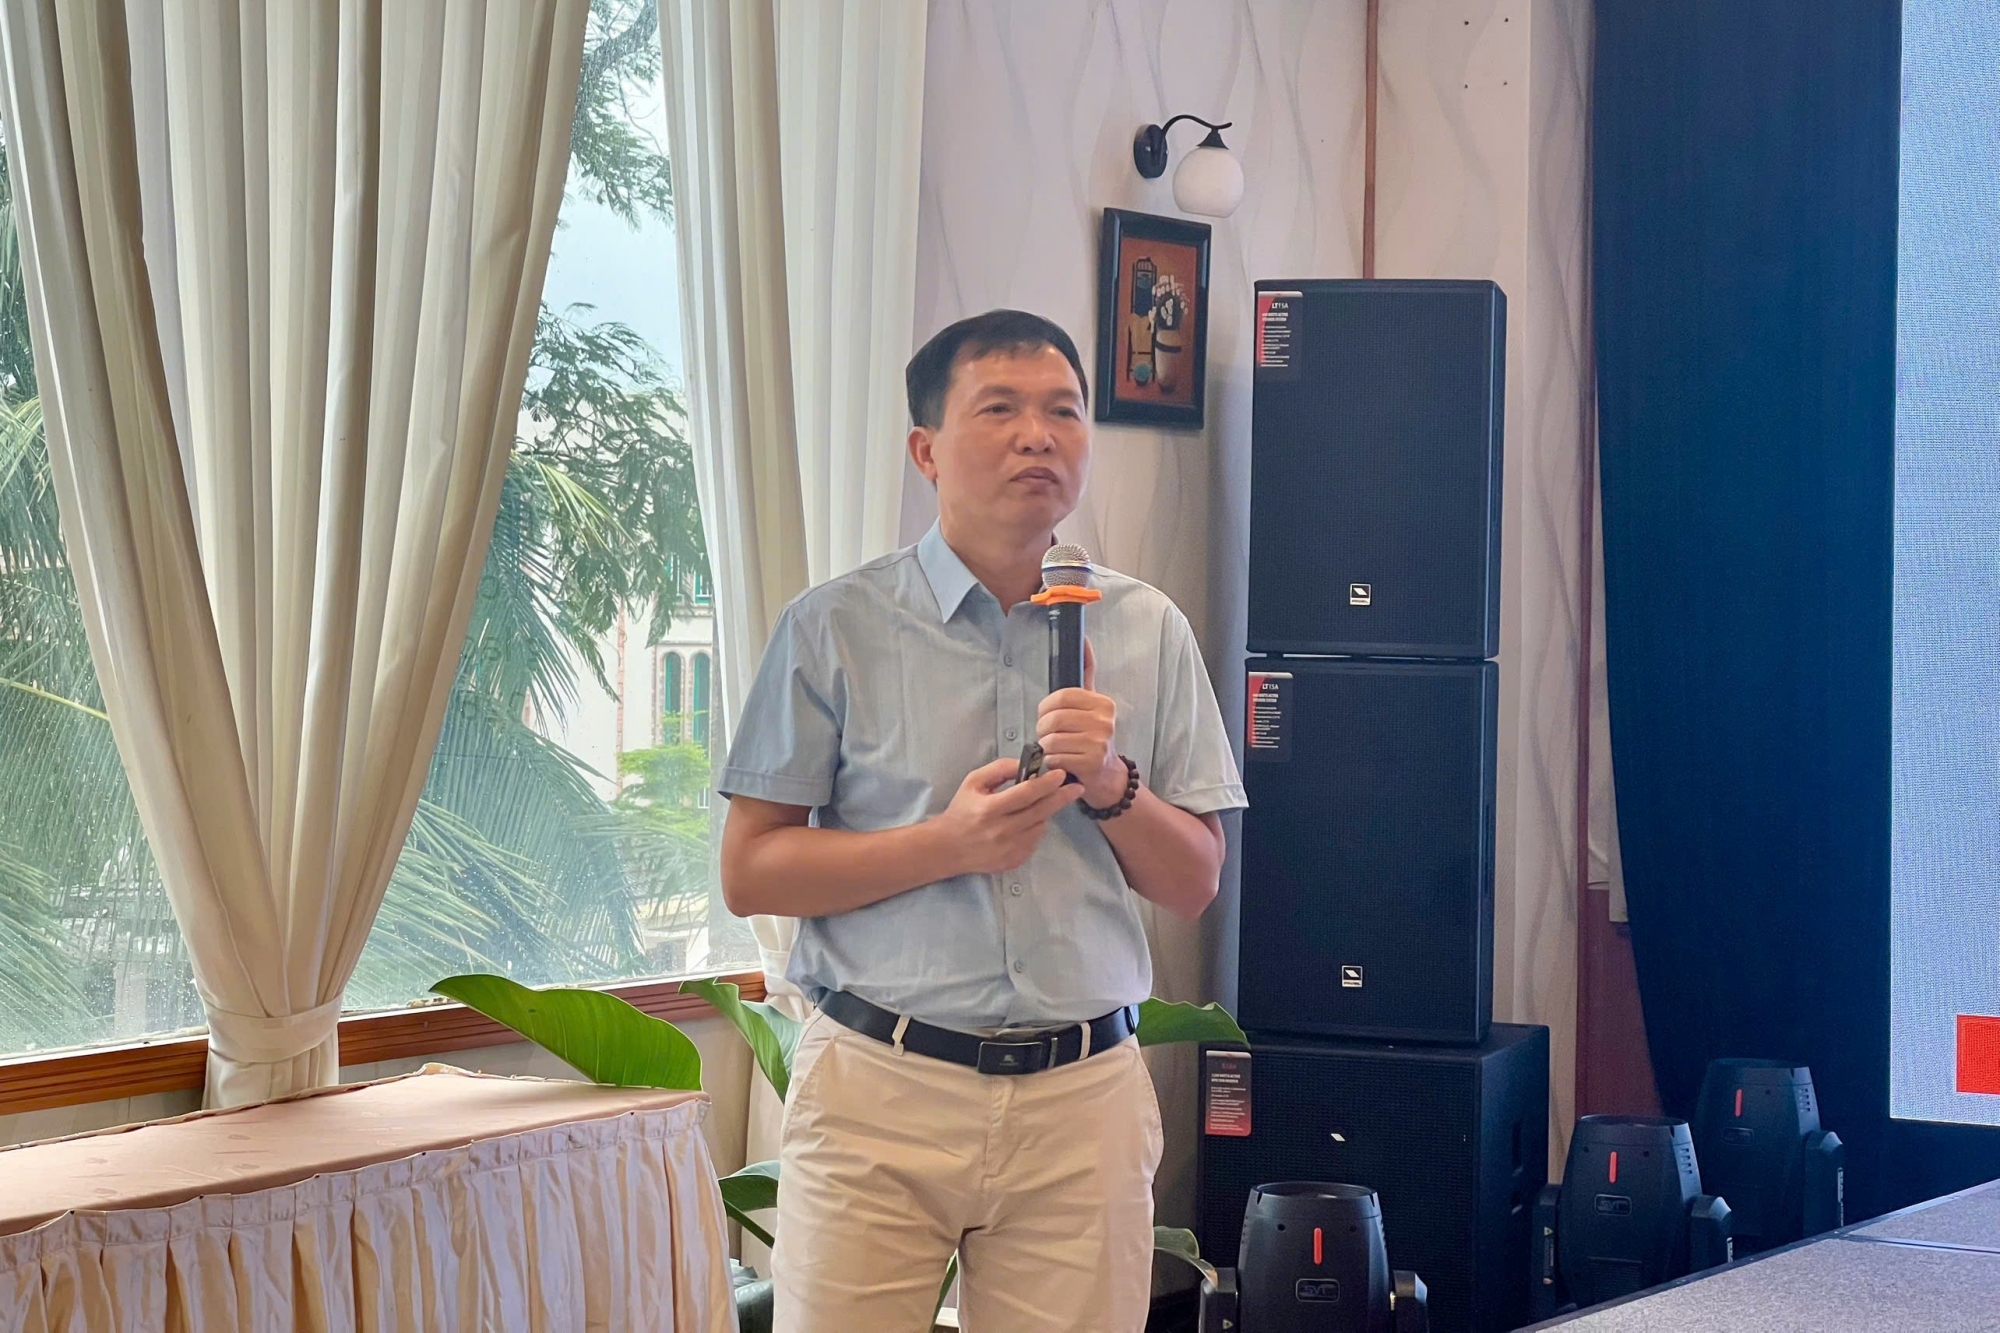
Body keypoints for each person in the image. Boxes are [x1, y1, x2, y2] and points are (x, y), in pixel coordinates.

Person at [718, 309, 1246, 1332]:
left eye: (1063, 412)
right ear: (925, 450)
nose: (1036, 436)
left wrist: (1112, 783)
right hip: (880, 1087)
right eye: (999, 409)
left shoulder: (1148, 627)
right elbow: (751, 869)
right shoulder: (834, 626)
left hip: (1081, 1101)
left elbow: (1194, 880)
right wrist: (948, 845)